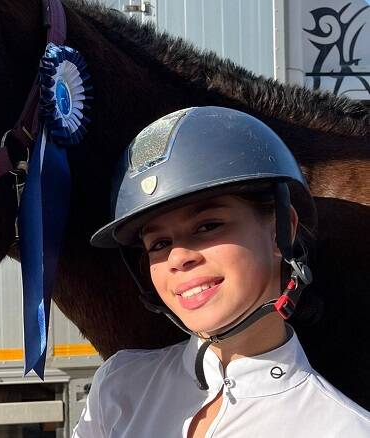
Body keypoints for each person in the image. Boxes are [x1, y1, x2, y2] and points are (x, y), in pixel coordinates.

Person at [73, 107, 370, 437]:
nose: (179, 257)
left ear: (280, 231)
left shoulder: (342, 428)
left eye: (207, 225)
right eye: (159, 243)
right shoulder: (117, 387)